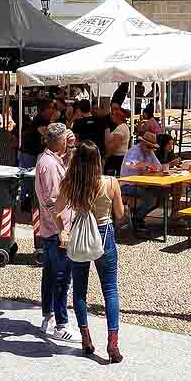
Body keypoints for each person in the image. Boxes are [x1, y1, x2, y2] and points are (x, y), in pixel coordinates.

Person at [54, 142, 125, 363]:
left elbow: (56, 212)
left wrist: (62, 232)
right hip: (104, 235)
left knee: (80, 290)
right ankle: (112, 342)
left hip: (80, 235)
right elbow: (120, 214)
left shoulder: (70, 184)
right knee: (110, 290)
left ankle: (86, 338)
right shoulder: (110, 183)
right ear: (98, 160)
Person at [34, 123, 78, 343]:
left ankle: (48, 317)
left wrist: (69, 151)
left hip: (52, 229)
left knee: (51, 274)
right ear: (59, 140)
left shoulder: (50, 160)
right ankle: (61, 322)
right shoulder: (49, 165)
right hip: (57, 230)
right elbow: (53, 202)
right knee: (61, 277)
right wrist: (64, 232)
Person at [120, 131, 164, 232]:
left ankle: (139, 215)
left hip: (143, 184)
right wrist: (145, 165)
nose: (150, 149)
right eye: (148, 147)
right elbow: (129, 164)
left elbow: (159, 166)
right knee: (150, 198)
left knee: (162, 194)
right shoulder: (134, 151)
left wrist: (154, 168)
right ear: (142, 143)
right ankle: (137, 219)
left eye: (152, 147)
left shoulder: (150, 151)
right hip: (128, 184)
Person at [19, 100, 54, 207]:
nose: (52, 111)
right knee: (27, 178)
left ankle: (27, 201)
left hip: (31, 152)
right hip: (29, 153)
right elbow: (46, 134)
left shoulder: (42, 119)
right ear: (45, 110)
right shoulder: (40, 120)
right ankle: (25, 202)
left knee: (30, 179)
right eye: (51, 108)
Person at [104, 105, 131, 176]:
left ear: (117, 117)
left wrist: (107, 156)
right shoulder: (123, 127)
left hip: (117, 159)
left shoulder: (120, 129)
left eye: (113, 115)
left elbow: (115, 145)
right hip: (120, 157)